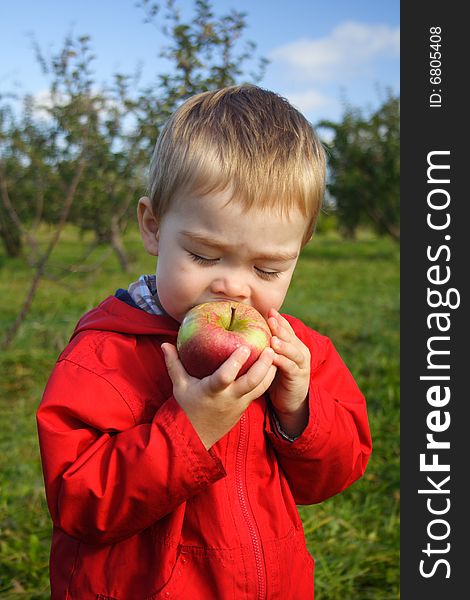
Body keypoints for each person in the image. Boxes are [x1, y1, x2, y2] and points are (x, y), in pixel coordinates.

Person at [37, 84, 372, 599]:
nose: (234, 286)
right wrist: (188, 431)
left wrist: (299, 411)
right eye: (204, 256)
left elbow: (333, 475)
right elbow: (78, 503)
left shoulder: (295, 354)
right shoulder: (104, 357)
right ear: (152, 227)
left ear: (297, 253)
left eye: (267, 267)